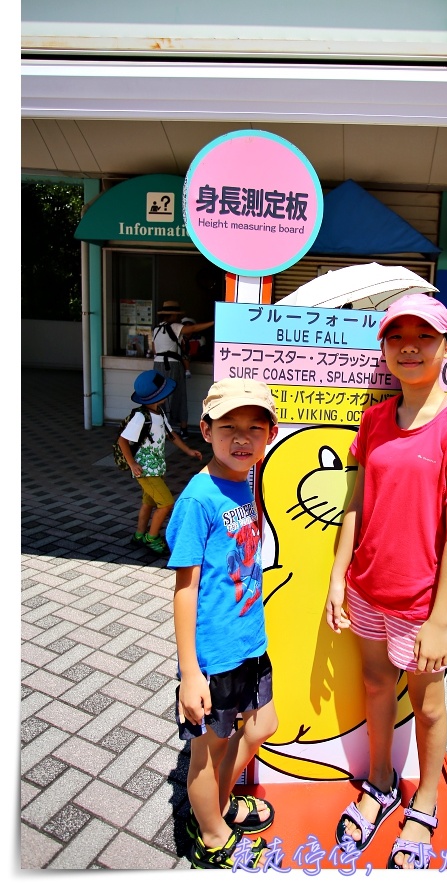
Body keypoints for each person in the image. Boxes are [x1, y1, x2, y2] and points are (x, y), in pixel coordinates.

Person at [325, 293, 447, 870]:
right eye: (396, 337)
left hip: (420, 603)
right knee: (373, 683)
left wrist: (440, 620)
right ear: (384, 348)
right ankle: (381, 783)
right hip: (367, 589)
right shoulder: (373, 420)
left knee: (428, 706)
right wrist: (339, 577)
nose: (409, 347)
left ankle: (426, 802)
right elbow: (355, 504)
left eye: (423, 336)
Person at [167, 378, 280, 870]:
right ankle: (211, 834)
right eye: (229, 426)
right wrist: (190, 672)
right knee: (205, 755)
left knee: (262, 726)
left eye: (255, 428)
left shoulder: (245, 482)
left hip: (250, 643)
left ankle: (218, 798)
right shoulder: (198, 500)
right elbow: (185, 589)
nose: (242, 438)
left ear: (270, 434)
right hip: (214, 657)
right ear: (206, 430)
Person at [118, 370, 203, 556]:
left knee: (148, 502)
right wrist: (132, 464)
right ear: (158, 396)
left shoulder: (159, 413)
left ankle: (140, 535)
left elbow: (171, 435)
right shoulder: (140, 417)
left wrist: (188, 450)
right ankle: (152, 537)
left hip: (156, 467)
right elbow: (122, 441)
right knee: (165, 504)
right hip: (145, 470)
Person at [152, 301, 215, 440]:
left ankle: (160, 428)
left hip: (157, 365)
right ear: (173, 315)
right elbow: (193, 328)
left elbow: (154, 350)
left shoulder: (156, 329)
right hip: (173, 365)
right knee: (179, 395)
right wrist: (214, 322)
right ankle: (182, 429)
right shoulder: (175, 327)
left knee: (159, 396)